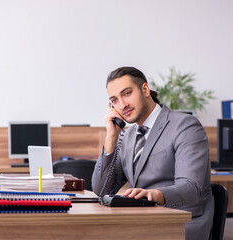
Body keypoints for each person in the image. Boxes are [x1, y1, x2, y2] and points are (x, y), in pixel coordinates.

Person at [91, 66, 214, 240]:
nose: (122, 104)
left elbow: (191, 188)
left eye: (127, 93)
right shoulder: (127, 136)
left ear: (145, 89)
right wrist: (111, 138)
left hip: (181, 224)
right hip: (143, 222)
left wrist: (155, 195)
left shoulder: (185, 126)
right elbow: (101, 190)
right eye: (114, 100)